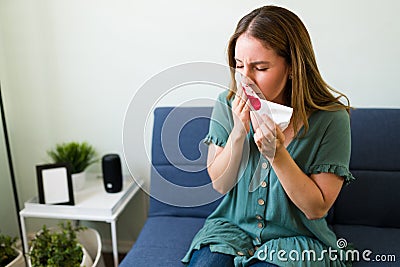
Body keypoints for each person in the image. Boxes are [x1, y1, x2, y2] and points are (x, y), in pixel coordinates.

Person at [182, 5, 354, 267]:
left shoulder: (331, 119)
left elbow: (316, 208)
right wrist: (239, 133)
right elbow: (220, 184)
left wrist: (277, 154)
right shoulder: (226, 103)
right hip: (230, 231)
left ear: (293, 67)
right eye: (240, 65)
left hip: (296, 239)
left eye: (260, 68)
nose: (245, 79)